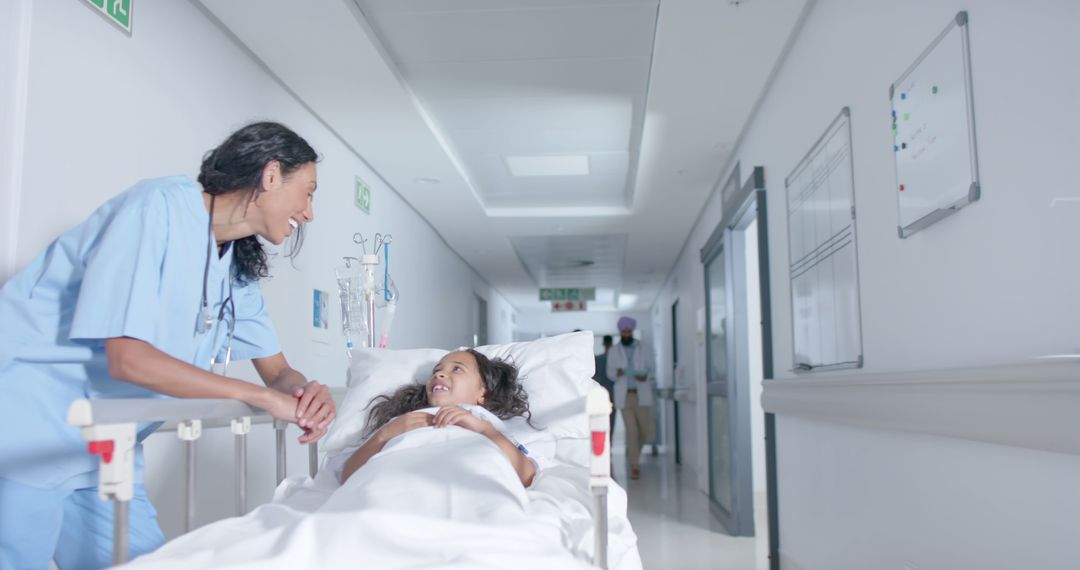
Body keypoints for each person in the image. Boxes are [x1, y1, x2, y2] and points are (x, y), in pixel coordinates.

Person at [0, 122, 336, 569]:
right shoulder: (154, 208)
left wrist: (304, 391)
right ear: (271, 175)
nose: (309, 212)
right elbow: (128, 359)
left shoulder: (235, 267)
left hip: (105, 450)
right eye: (308, 192)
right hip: (28, 431)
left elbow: (276, 372)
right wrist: (257, 397)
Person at [341, 350, 536, 487]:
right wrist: (384, 435)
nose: (440, 374)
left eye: (457, 369)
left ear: (483, 393)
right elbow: (348, 476)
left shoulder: (487, 424)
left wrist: (484, 430)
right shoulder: (403, 422)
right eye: (436, 371)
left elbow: (527, 476)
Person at [606, 316, 655, 480]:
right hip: (625, 396)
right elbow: (610, 374)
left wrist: (646, 376)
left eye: (629, 331)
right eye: (624, 331)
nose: (626, 334)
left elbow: (652, 369)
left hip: (641, 394)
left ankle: (632, 452)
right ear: (620, 332)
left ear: (632, 331)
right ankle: (635, 464)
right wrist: (617, 373)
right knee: (632, 431)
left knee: (645, 431)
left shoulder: (644, 348)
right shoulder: (614, 351)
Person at [592, 334, 616, 433]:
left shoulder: (598, 359)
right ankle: (609, 444)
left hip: (602, 394)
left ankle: (608, 444)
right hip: (610, 394)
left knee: (602, 421)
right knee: (610, 421)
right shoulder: (614, 360)